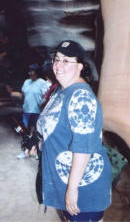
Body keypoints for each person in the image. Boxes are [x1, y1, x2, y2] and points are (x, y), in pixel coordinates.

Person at [37, 40, 112, 222]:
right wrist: (38, 144)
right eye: (57, 59)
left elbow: (84, 147)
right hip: (66, 178)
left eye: (66, 61)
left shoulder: (81, 97)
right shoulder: (61, 91)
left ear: (80, 66)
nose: (58, 65)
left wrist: (72, 188)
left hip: (82, 185)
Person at [7, 63, 49, 158]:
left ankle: (37, 151)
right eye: (29, 71)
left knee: (38, 133)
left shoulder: (42, 82)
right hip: (26, 112)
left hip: (37, 112)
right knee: (25, 133)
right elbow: (23, 95)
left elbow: (46, 97)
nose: (30, 73)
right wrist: (12, 93)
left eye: (32, 71)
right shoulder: (26, 82)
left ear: (37, 72)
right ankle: (25, 151)